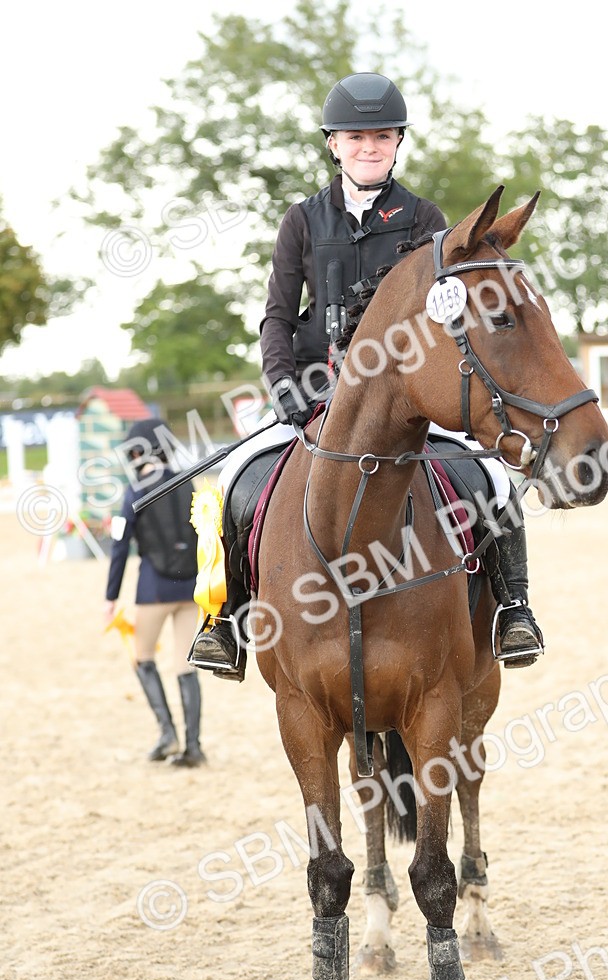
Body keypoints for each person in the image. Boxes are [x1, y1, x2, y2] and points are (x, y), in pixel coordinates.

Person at [190, 72, 543, 680]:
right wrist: (282, 387)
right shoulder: (301, 221)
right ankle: (225, 624)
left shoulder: (425, 219)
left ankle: (514, 606)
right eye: (356, 138)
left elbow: (447, 310)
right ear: (333, 144)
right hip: (312, 396)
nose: (369, 147)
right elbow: (277, 314)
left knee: (492, 477)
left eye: (382, 136)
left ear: (398, 142)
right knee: (231, 482)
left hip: (404, 400)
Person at [104, 417, 206, 767]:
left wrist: (110, 596)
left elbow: (119, 547)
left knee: (142, 657)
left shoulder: (135, 491)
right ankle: (193, 747)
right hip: (190, 587)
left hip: (153, 589)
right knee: (184, 665)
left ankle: (167, 733)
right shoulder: (187, 482)